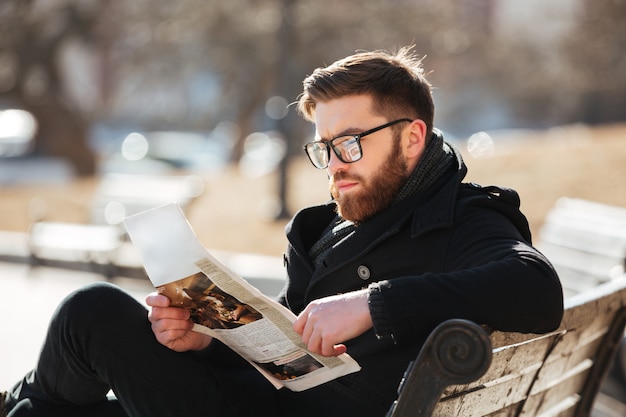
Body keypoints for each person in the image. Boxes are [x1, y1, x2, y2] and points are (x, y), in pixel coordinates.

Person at [1, 46, 563, 417]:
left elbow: (537, 287)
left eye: (350, 142)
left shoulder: (463, 219)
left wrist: (372, 303)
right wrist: (208, 339)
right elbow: (286, 359)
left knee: (90, 315)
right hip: (257, 399)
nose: (335, 164)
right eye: (325, 148)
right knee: (82, 366)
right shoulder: (346, 227)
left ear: (412, 138)